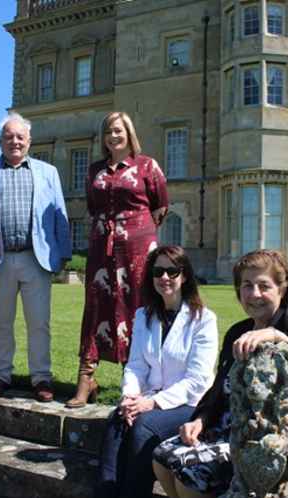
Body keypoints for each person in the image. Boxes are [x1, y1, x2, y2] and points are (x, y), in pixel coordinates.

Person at [153, 250, 288, 498]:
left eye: (264, 286)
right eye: (247, 286)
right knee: (161, 458)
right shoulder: (237, 332)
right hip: (233, 432)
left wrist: (279, 336)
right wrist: (200, 419)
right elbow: (221, 387)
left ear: (282, 289)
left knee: (189, 480)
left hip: (278, 445)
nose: (254, 294)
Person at [95, 246, 218, 498]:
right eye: (158, 271)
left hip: (189, 404)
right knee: (117, 420)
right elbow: (136, 365)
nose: (164, 277)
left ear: (184, 276)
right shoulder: (143, 316)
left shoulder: (203, 319)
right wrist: (130, 398)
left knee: (143, 427)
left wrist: (151, 403)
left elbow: (197, 380)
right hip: (148, 398)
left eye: (172, 271)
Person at [67, 111, 169, 409]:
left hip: (138, 246)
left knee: (137, 306)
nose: (114, 136)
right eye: (109, 131)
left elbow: (161, 205)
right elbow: (91, 204)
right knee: (97, 304)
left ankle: (132, 378)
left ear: (129, 134)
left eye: (119, 131)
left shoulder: (146, 165)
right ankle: (86, 377)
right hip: (102, 245)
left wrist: (137, 232)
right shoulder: (95, 170)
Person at [0, 112, 72, 402]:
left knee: (39, 322)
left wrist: (64, 254)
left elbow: (60, 214)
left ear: (29, 140)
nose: (14, 141)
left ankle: (41, 377)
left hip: (36, 258)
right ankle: (1, 374)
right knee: (1, 323)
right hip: (0, 260)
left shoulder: (48, 172)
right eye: (9, 137)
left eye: (20, 137)